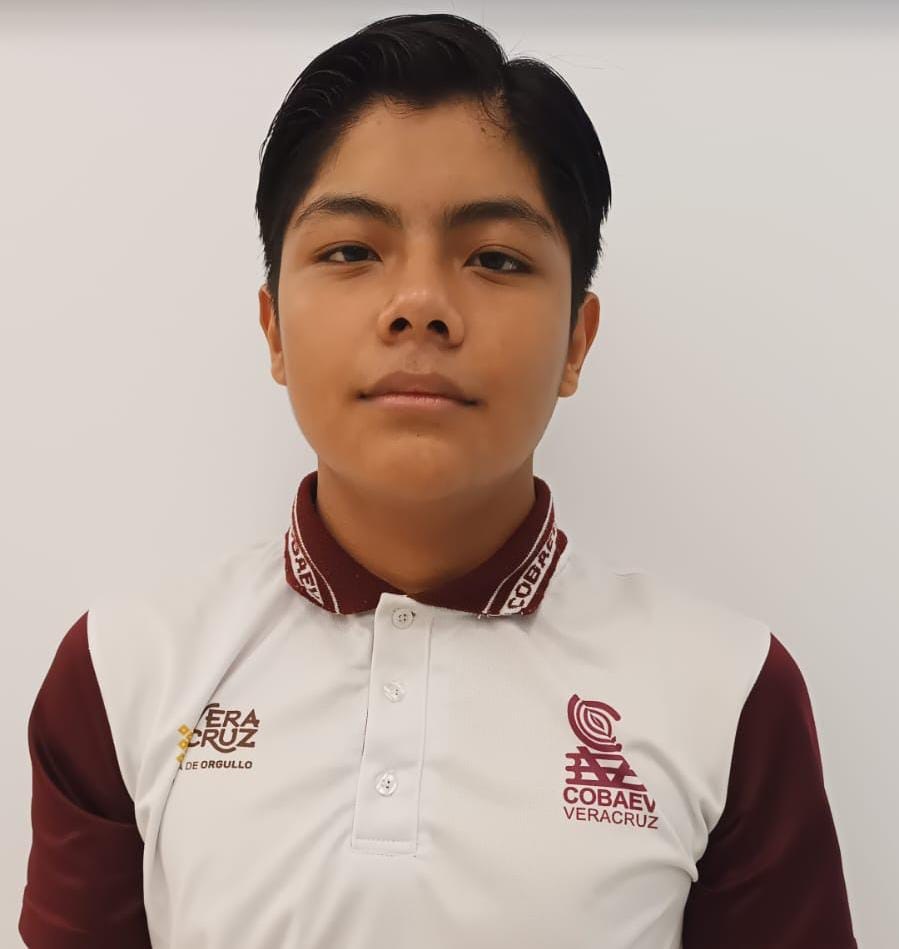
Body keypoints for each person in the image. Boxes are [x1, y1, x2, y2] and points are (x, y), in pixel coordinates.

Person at [19, 12, 857, 948]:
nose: (419, 305)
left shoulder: (728, 691)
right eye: (351, 251)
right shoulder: (124, 670)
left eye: (495, 258)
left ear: (575, 343)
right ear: (273, 329)